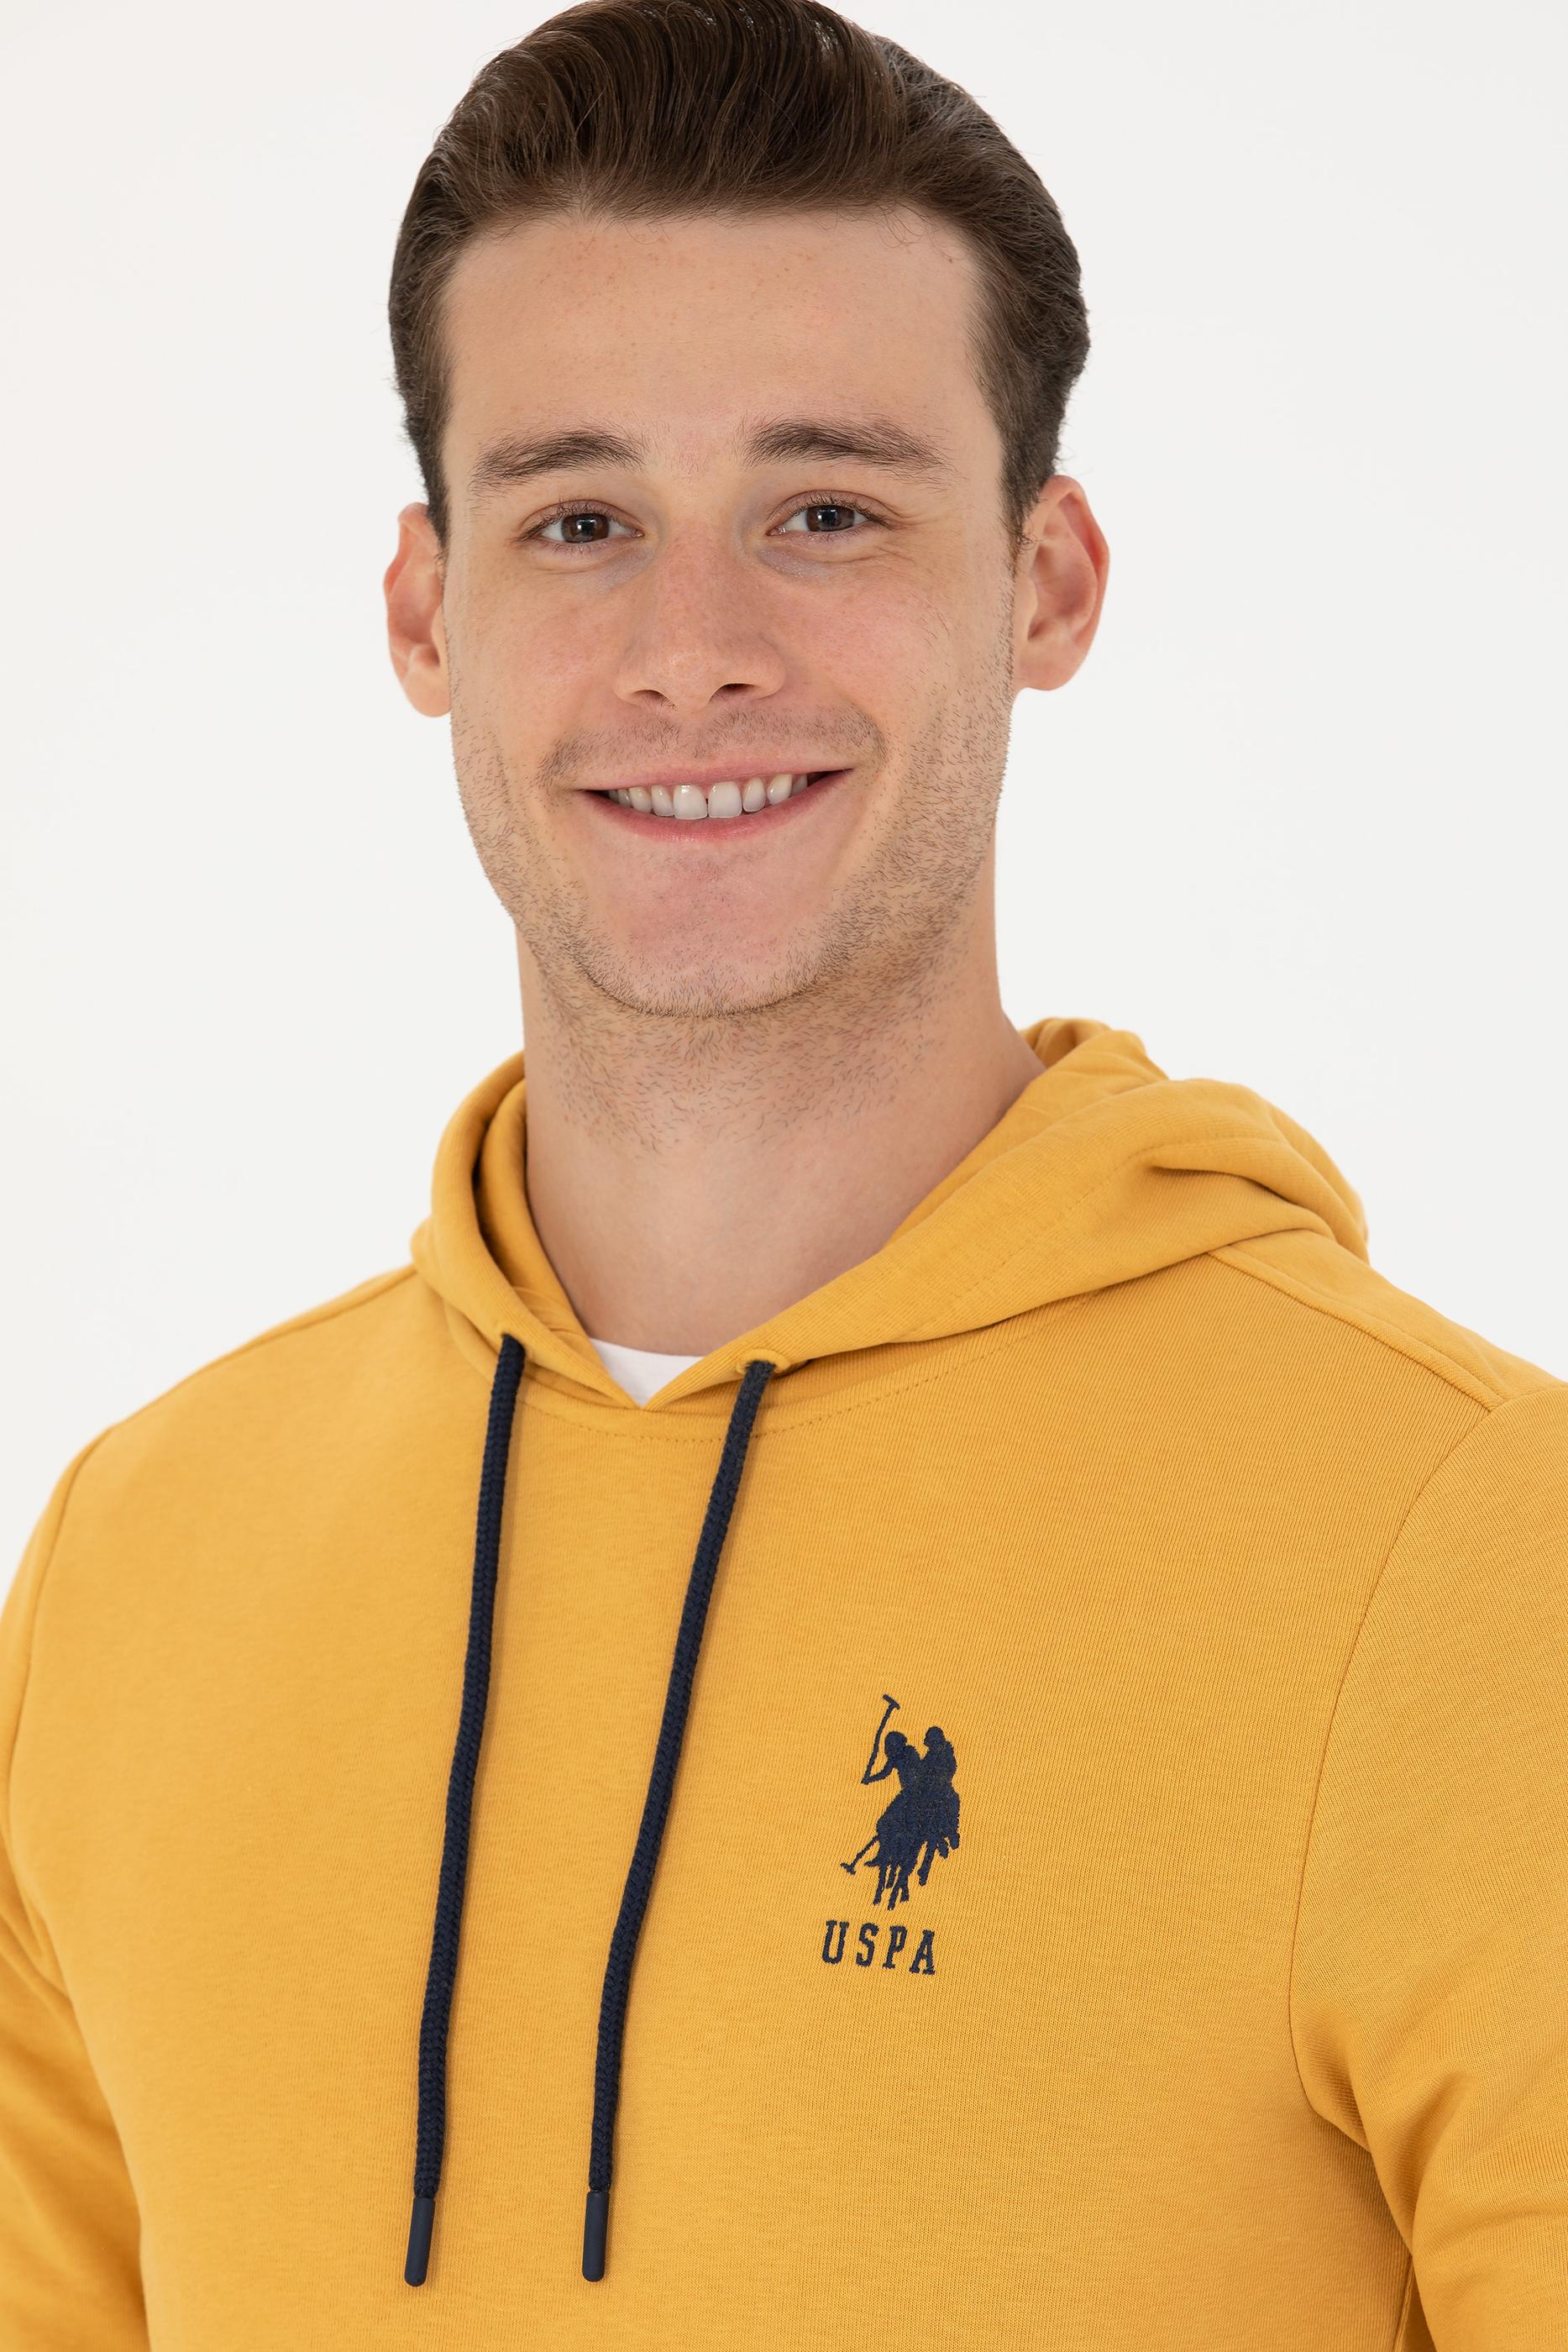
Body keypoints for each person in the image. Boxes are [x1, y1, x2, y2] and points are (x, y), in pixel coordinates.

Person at [3, 0, 1565, 2341]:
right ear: (429, 610)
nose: (694, 652)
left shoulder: (1465, 1552)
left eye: (825, 511)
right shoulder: (138, 1560)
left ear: (1046, 582)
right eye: (580, 520)